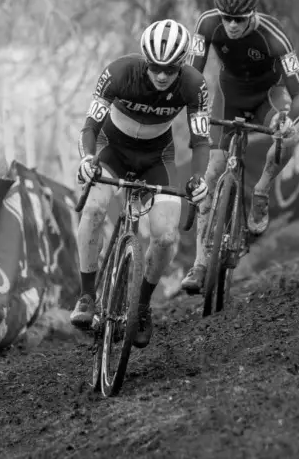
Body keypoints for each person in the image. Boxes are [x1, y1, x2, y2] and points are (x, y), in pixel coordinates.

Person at [69, 19, 211, 348]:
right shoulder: (119, 73)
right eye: (155, 68)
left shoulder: (194, 85)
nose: (162, 76)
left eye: (170, 69)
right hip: (112, 151)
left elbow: (200, 140)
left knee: (165, 236)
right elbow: (90, 127)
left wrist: (198, 179)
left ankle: (142, 306)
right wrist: (88, 159)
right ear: (145, 61)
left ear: (182, 65)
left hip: (156, 158)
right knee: (93, 210)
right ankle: (87, 297)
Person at [180, 0, 299, 293]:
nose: (232, 25)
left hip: (269, 96)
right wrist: (195, 115)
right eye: (227, 18)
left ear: (252, 12)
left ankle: (262, 191)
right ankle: (199, 264)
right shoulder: (207, 23)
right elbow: (192, 76)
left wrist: (286, 120)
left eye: (238, 19)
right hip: (230, 96)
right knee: (211, 175)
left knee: (291, 135)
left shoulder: (275, 36)